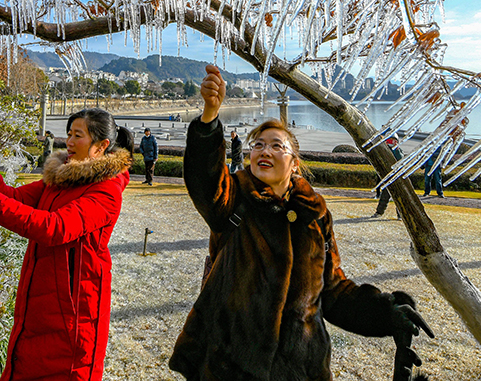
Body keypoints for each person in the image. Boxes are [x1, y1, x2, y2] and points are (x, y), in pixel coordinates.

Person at [169, 66, 433, 381]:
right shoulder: (233, 198)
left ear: (295, 163)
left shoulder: (315, 213)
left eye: (276, 145)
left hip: (301, 368)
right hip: (229, 365)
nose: (264, 150)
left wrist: (385, 312)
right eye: (258, 145)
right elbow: (205, 180)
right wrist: (210, 117)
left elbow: (332, 290)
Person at [0, 109, 134, 381]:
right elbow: (15, 199)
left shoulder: (107, 190)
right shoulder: (60, 178)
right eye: (68, 134)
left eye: (78, 135)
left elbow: (55, 228)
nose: (68, 141)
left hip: (73, 314)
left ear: (101, 146)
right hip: (39, 303)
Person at [372, 136, 404, 219]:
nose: (391, 142)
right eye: (390, 140)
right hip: (388, 177)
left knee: (399, 198)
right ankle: (379, 212)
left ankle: (400, 215)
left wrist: (396, 149)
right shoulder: (385, 150)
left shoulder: (399, 151)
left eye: (393, 141)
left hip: (397, 178)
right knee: (384, 197)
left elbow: (401, 160)